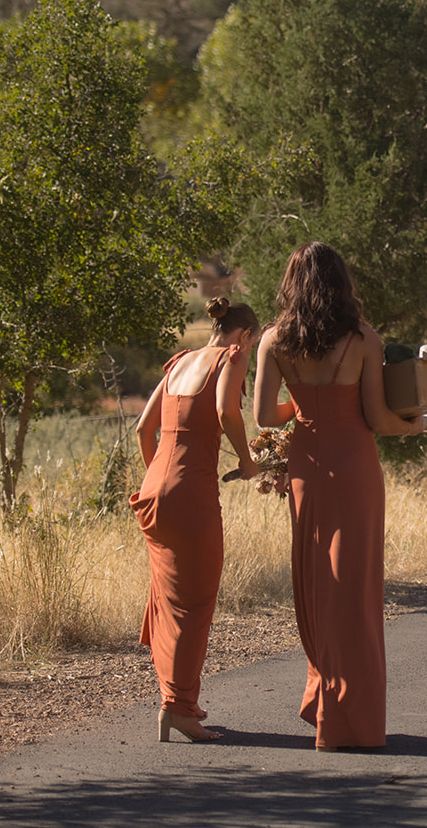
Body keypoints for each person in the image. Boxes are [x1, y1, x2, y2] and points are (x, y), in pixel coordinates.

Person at [252, 242, 423, 749]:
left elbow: (263, 415)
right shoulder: (365, 340)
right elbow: (376, 418)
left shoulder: (273, 340)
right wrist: (413, 427)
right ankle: (354, 717)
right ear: (340, 283)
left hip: (306, 463)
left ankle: (325, 697)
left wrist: (306, 410)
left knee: (319, 583)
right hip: (355, 464)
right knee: (356, 587)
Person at [131, 296, 260, 743]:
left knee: (169, 601)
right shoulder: (233, 357)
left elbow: (143, 430)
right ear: (244, 335)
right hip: (190, 493)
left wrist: (158, 481)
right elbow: (227, 411)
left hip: (154, 492)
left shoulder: (181, 361)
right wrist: (248, 461)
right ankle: (179, 709)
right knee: (196, 601)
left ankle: (175, 700)